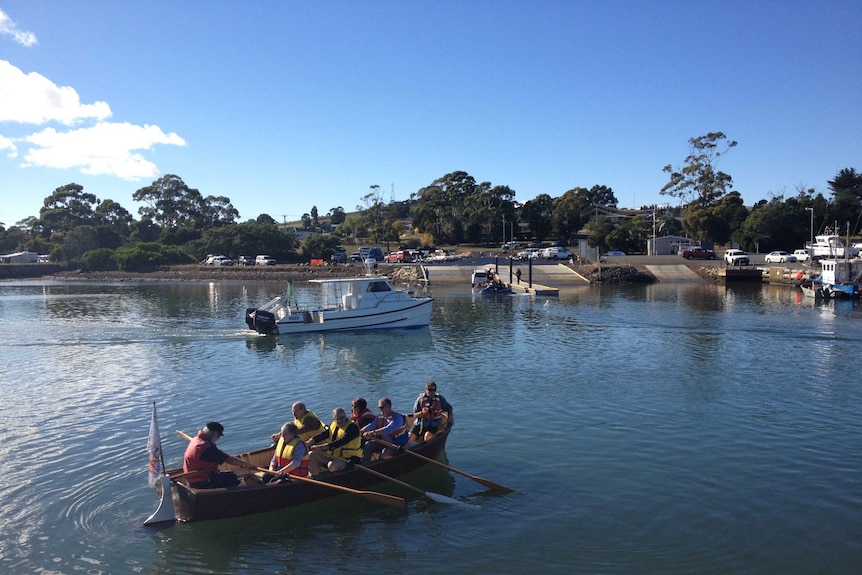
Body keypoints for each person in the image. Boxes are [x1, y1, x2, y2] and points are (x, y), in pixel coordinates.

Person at [183, 422, 256, 489]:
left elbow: (218, 454)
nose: (218, 438)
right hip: (201, 482)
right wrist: (246, 464)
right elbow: (229, 459)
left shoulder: (196, 440)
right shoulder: (205, 447)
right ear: (215, 434)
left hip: (191, 480)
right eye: (219, 436)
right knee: (231, 477)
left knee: (226, 474)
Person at [308, 407, 362, 475]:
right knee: (311, 455)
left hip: (350, 459)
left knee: (332, 465)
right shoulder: (334, 425)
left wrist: (321, 447)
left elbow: (341, 441)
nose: (340, 420)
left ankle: (336, 479)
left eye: (342, 418)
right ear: (334, 419)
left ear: (345, 416)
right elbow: (324, 434)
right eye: (337, 419)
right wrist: (309, 442)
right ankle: (316, 479)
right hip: (334, 456)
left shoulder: (352, 427)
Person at [361, 397, 410, 463]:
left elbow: (388, 429)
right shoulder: (380, 416)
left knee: (385, 453)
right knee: (368, 445)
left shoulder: (398, 418)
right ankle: (365, 464)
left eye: (382, 407)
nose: (380, 410)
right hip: (383, 442)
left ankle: (379, 466)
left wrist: (372, 433)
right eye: (379, 408)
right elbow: (371, 425)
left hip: (396, 444)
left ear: (389, 406)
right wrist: (360, 431)